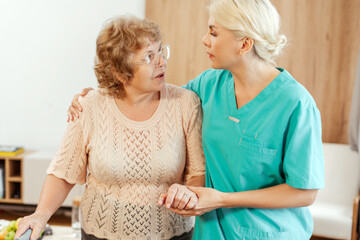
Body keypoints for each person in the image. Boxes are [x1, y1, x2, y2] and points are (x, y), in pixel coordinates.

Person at [67, 0, 324, 239]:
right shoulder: (208, 85)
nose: (205, 40)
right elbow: (152, 97)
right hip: (209, 232)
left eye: (214, 33)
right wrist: (100, 97)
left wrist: (222, 199)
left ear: (244, 44)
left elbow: (304, 192)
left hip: (268, 233)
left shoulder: (295, 103)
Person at [15, 16, 205, 240]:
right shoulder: (89, 106)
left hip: (172, 235)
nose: (162, 62)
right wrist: (41, 214)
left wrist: (186, 193)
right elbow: (64, 172)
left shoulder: (185, 103)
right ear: (120, 72)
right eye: (149, 57)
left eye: (161, 51)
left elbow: (197, 173)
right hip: (100, 233)